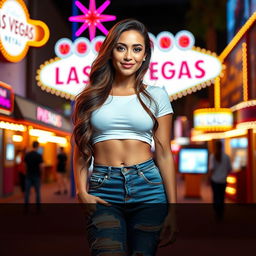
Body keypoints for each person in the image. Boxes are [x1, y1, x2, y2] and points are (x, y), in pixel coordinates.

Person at [72, 19, 177, 255]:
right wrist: (81, 192)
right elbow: (80, 150)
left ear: (144, 56)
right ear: (110, 52)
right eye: (121, 47)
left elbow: (163, 152)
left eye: (136, 49)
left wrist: (173, 209)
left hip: (149, 186)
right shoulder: (89, 98)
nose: (128, 56)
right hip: (103, 187)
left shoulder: (157, 95)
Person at [209, 140, 232, 220]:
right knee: (222, 197)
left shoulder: (213, 156)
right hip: (223, 180)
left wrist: (209, 177)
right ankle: (221, 213)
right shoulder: (226, 157)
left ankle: (216, 212)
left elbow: (211, 169)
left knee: (216, 197)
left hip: (215, 180)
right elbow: (229, 169)